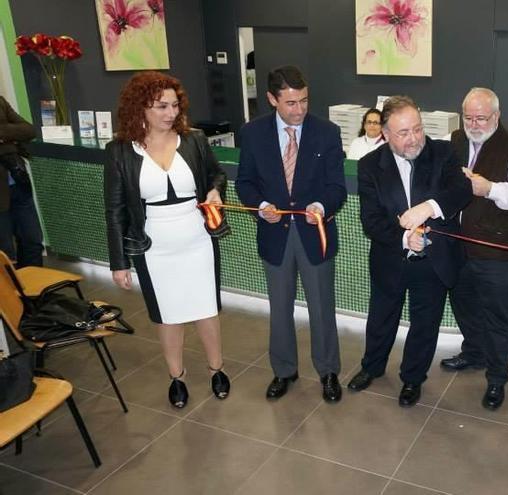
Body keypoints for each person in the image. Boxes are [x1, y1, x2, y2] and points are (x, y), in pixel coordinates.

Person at [104, 72, 229, 409]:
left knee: (206, 308)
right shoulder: (119, 151)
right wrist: (119, 262)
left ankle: (217, 369)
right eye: (161, 106)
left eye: (174, 105)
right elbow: (115, 210)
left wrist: (215, 189)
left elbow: (216, 174)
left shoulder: (194, 140)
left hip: (197, 237)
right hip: (153, 246)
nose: (170, 113)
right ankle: (177, 376)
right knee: (168, 314)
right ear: (140, 107)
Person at [347, 95, 471, 407]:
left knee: (424, 323)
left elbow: (461, 191)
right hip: (390, 257)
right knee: (381, 317)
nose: (414, 138)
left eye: (417, 129)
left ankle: (412, 379)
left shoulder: (443, 153)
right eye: (403, 133)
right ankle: (371, 367)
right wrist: (404, 239)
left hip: (433, 262)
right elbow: (371, 221)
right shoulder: (369, 166)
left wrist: (428, 208)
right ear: (385, 134)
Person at [236, 65, 346, 403]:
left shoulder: (326, 132)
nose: (298, 110)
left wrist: (320, 206)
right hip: (275, 235)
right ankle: (284, 371)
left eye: (304, 101)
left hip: (315, 235)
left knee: (322, 307)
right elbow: (245, 182)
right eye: (290, 103)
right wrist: (261, 205)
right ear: (272, 99)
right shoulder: (253, 133)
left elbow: (336, 187)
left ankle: (328, 372)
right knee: (279, 308)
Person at [440, 88, 508, 410]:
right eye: (468, 117)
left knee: (497, 317)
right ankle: (474, 354)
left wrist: (490, 188)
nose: (474, 124)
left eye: (481, 118)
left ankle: (498, 377)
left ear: (496, 116)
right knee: (463, 304)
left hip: (498, 251)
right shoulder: (453, 139)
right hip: (459, 246)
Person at [0, 95, 42, 267]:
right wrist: (11, 139)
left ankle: (36, 292)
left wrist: (3, 133)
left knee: (32, 241)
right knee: (6, 253)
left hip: (18, 183)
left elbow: (29, 130)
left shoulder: (1, 101)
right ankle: (12, 294)